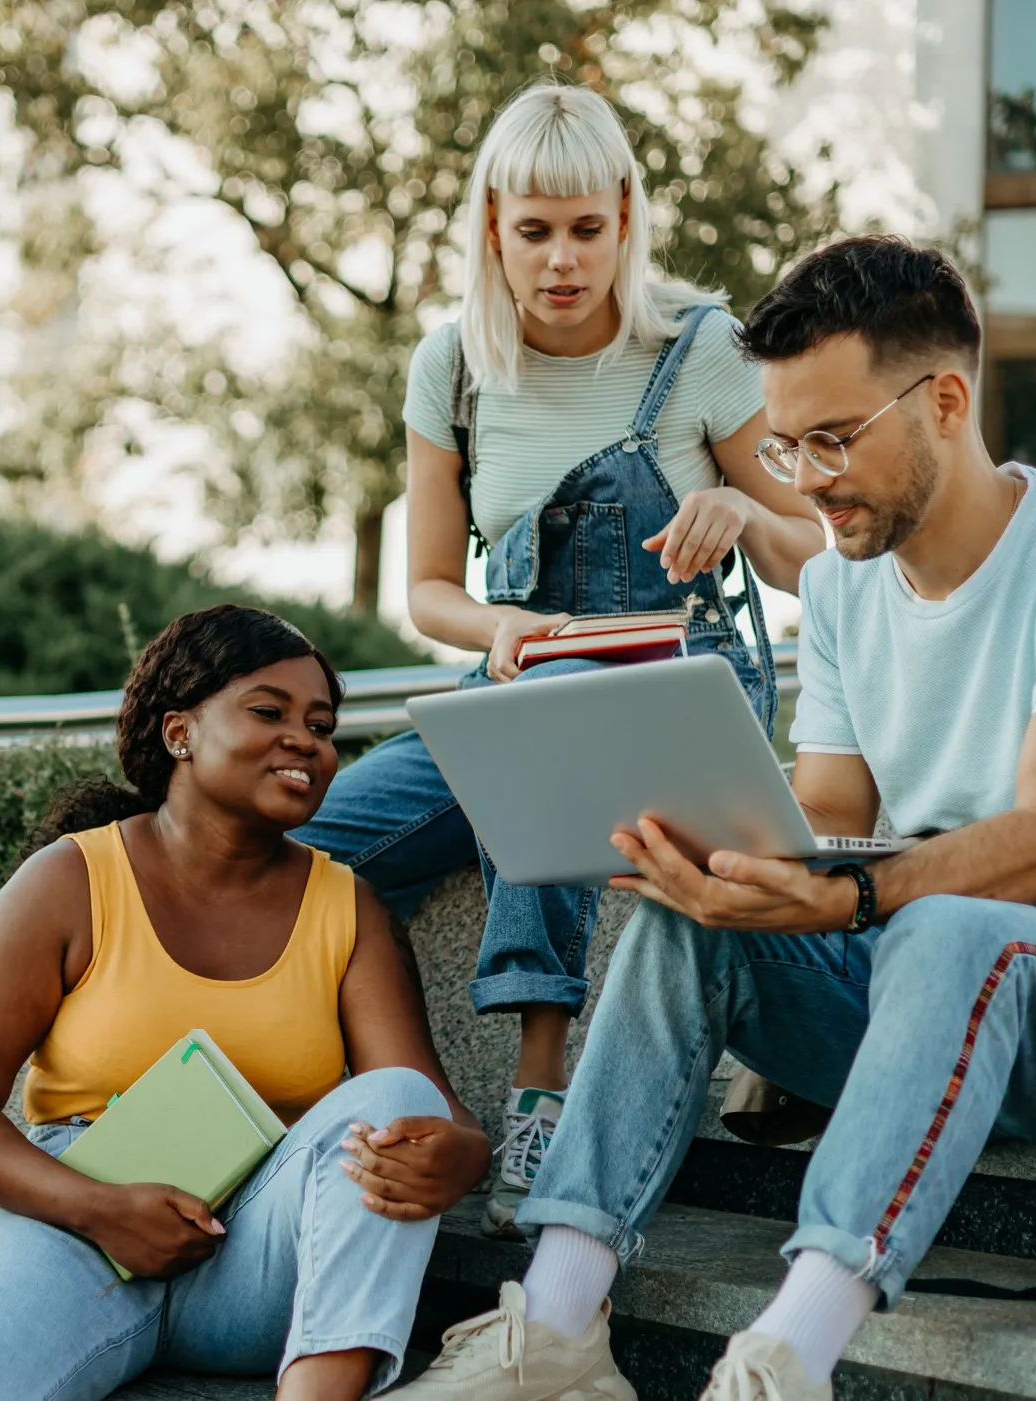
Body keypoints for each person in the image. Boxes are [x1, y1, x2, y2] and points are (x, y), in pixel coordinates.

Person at [393, 235, 1036, 1401]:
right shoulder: (837, 585)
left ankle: (788, 1356)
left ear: (945, 402)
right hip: (913, 974)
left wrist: (853, 896)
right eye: (784, 445)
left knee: (949, 926)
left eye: (832, 438)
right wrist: (716, 855)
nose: (804, 479)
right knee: (691, 920)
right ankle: (556, 1328)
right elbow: (825, 810)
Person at [294, 76, 825, 1240]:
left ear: (626, 217)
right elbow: (429, 590)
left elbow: (816, 557)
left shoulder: (698, 347)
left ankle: (539, 1090)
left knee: (550, 715)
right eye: (534, 230)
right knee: (305, 852)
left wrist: (745, 513)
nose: (563, 259)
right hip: (520, 679)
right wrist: (502, 630)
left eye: (588, 227)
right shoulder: (451, 366)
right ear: (492, 226)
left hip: (682, 685)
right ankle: (400, 1097)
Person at [0, 604, 492, 1401]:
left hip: (257, 1256)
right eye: (269, 712)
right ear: (180, 732)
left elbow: (427, 1106)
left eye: (321, 725)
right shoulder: (71, 880)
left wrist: (461, 1157)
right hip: (72, 1232)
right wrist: (100, 1208)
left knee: (390, 1101)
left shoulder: (350, 908)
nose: (305, 741)